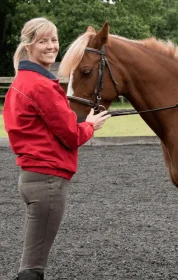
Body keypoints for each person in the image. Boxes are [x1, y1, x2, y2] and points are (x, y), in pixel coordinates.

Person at [3, 18, 111, 280]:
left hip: (31, 177)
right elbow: (70, 135)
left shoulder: (21, 81)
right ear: (29, 46)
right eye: (43, 41)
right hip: (48, 180)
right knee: (32, 269)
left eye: (54, 40)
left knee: (32, 261)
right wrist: (90, 125)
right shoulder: (41, 86)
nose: (52, 46)